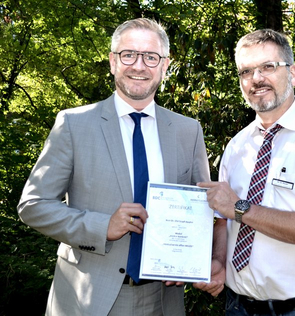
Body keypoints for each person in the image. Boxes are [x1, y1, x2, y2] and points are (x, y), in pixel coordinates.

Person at [17, 18, 210, 316]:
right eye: (128, 54)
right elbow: (33, 205)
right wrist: (102, 226)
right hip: (87, 299)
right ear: (112, 61)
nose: (139, 65)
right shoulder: (73, 124)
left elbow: (200, 212)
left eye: (151, 57)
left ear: (165, 65)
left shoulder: (188, 130)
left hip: (164, 300)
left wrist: (190, 260)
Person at [195, 29, 295, 315]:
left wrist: (241, 209)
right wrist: (218, 262)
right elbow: (222, 219)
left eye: (268, 66)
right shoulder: (236, 146)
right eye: (246, 71)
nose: (257, 79)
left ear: (292, 73)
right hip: (236, 306)